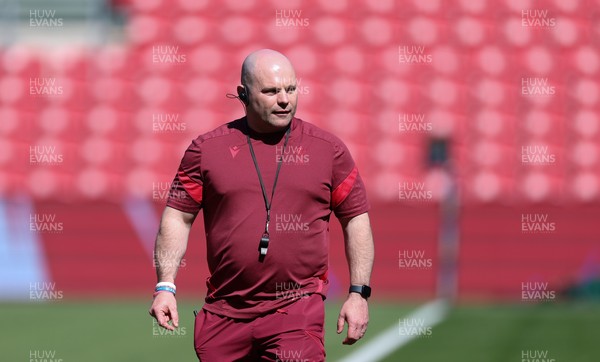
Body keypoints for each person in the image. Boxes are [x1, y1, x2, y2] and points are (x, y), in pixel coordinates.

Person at [148, 49, 375, 361]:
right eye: (270, 91)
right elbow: (178, 217)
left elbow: (355, 219)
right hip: (223, 312)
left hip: (296, 308)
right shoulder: (206, 150)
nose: (284, 99)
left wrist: (358, 293)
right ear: (243, 94)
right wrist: (165, 286)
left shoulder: (329, 150)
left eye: (291, 89)